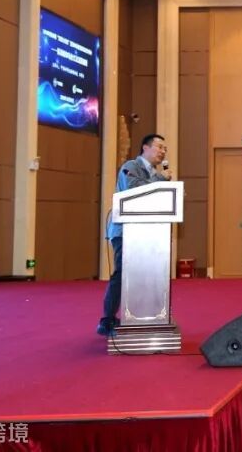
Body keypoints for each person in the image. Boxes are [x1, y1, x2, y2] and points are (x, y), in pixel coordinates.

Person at [98, 133, 170, 336]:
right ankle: (106, 320)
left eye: (165, 149)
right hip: (125, 231)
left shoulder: (154, 173)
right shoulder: (131, 166)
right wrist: (161, 179)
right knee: (122, 273)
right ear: (145, 148)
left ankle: (144, 315)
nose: (163, 152)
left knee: (144, 275)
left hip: (146, 233)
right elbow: (134, 189)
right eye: (159, 147)